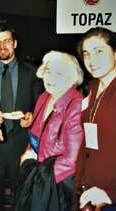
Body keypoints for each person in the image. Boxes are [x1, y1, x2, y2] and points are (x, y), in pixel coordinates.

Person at [0, 20, 44, 211]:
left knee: (24, 197)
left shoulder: (32, 73)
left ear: (14, 43)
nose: (2, 46)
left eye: (6, 41)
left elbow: (40, 104)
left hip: (21, 146)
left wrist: (31, 116)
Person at [19, 50, 84, 210]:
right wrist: (27, 155)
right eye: (48, 72)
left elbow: (72, 160)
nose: (51, 78)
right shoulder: (43, 97)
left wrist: (38, 174)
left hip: (57, 184)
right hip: (39, 176)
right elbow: (34, 136)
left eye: (59, 73)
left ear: (72, 78)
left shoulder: (77, 106)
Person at [73, 27, 116, 210]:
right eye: (86, 54)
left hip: (114, 196)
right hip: (89, 186)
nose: (91, 60)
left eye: (99, 51)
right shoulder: (93, 86)